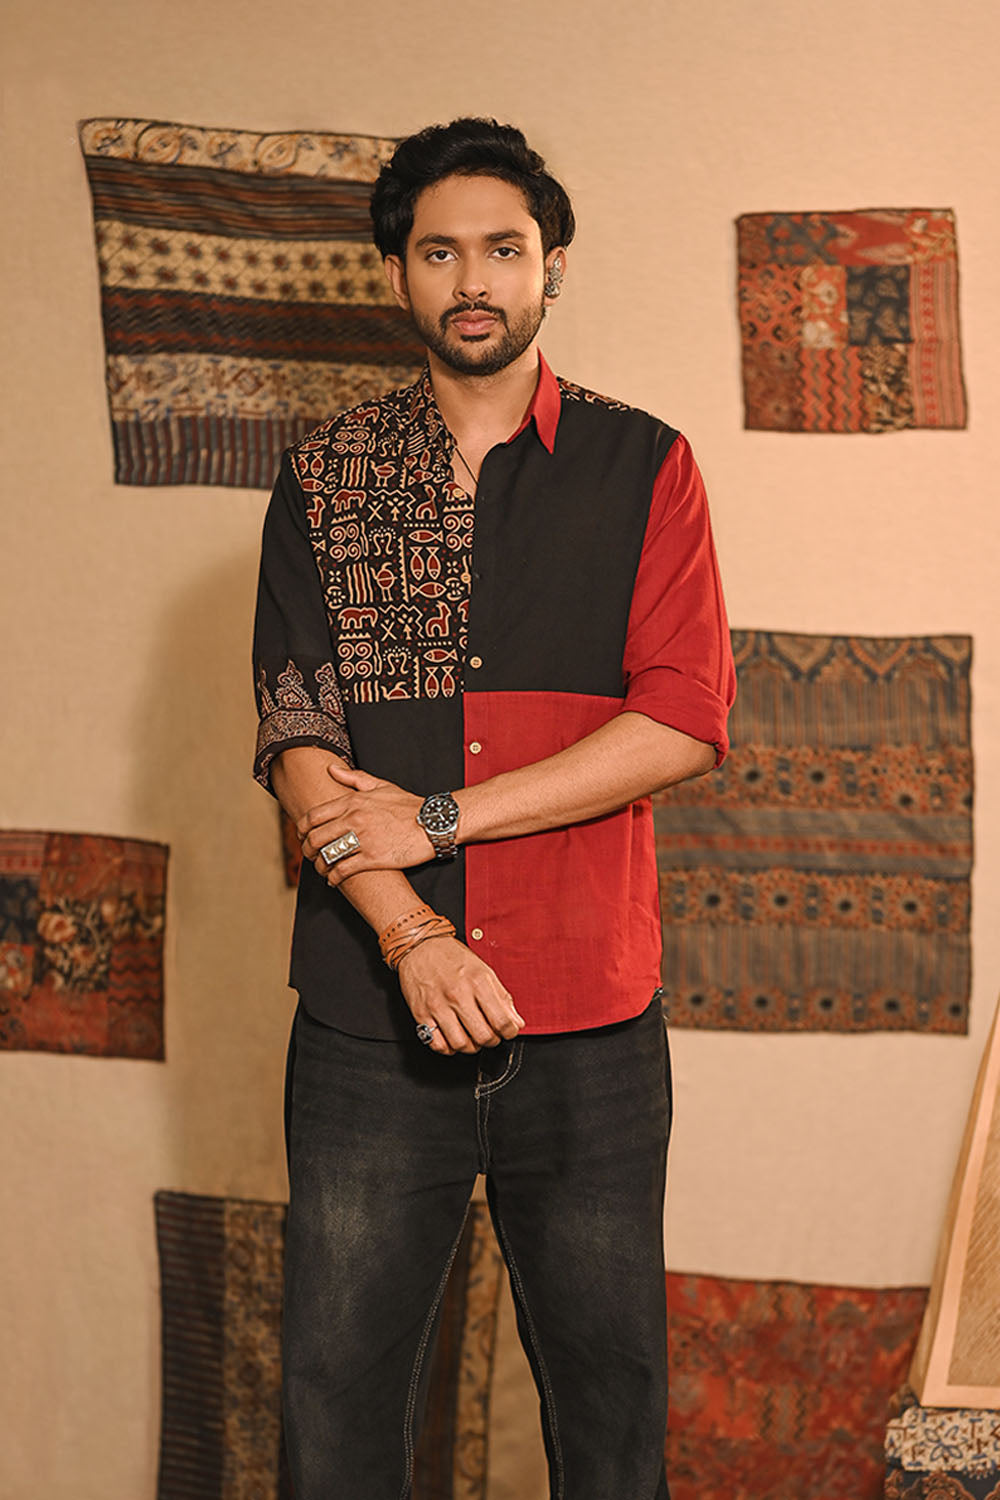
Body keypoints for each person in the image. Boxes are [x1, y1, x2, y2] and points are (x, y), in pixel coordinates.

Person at [252, 116, 735, 1500]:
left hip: (589, 1015)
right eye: (440, 251)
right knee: (336, 1411)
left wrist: (444, 817)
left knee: (610, 1417)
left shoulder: (647, 467)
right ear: (396, 275)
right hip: (366, 1019)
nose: (474, 279)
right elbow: (298, 737)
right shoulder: (327, 476)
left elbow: (684, 720)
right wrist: (413, 935)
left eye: (504, 248)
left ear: (552, 265)